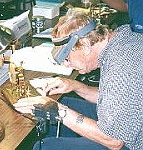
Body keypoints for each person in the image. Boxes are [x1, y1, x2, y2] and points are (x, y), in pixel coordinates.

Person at [13, 10, 143, 150]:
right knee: (62, 102)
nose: (66, 65)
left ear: (86, 45)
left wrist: (59, 111)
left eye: (67, 58)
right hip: (131, 121)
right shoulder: (119, 40)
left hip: (132, 143)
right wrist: (76, 86)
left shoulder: (121, 66)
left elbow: (115, 141)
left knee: (44, 147)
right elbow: (118, 97)